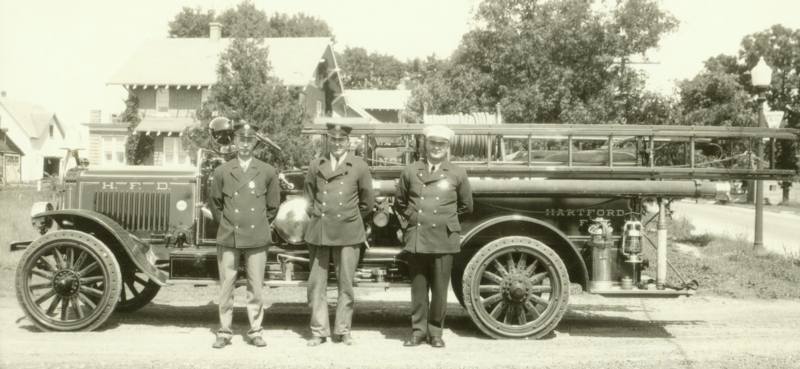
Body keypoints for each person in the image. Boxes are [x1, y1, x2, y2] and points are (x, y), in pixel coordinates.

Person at [395, 125, 473, 348]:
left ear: (448, 147)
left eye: (442, 144)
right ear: (425, 145)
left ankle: (436, 332)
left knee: (440, 290)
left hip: (442, 239)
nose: (437, 148)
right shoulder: (411, 171)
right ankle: (418, 332)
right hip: (417, 237)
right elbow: (400, 202)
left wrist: (447, 221)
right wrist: (410, 221)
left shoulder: (457, 173)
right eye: (433, 143)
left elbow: (467, 206)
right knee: (418, 288)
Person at [209, 122, 280, 349]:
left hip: (256, 235)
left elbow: (272, 207)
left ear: (255, 144)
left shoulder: (267, 171)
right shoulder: (222, 171)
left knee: (255, 286)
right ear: (235, 142)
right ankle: (224, 331)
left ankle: (256, 330)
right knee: (227, 285)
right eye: (241, 140)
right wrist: (228, 224)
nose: (245, 145)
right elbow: (215, 204)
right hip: (229, 235)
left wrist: (257, 224)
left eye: (249, 141)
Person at [303, 123, 375, 346]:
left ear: (348, 142)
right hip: (320, 231)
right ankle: (318, 331)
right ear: (328, 141)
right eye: (333, 140)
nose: (337, 144)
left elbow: (367, 202)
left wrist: (349, 217)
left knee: (346, 283)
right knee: (317, 284)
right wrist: (319, 214)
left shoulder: (359, 166)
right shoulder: (317, 164)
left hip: (348, 231)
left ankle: (343, 330)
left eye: (341, 140)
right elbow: (309, 197)